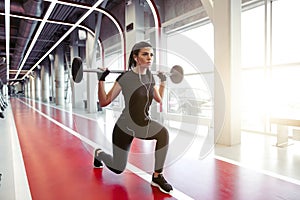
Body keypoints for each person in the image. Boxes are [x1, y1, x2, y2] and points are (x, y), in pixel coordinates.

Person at [93, 41, 173, 193]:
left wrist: (163, 81)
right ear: (135, 57)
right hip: (125, 126)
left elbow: (159, 99)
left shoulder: (150, 77)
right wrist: (101, 79)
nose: (149, 58)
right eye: (145, 54)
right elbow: (104, 102)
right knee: (118, 168)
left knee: (163, 133)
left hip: (143, 124)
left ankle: (157, 176)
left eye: (151, 55)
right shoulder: (126, 78)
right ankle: (99, 154)